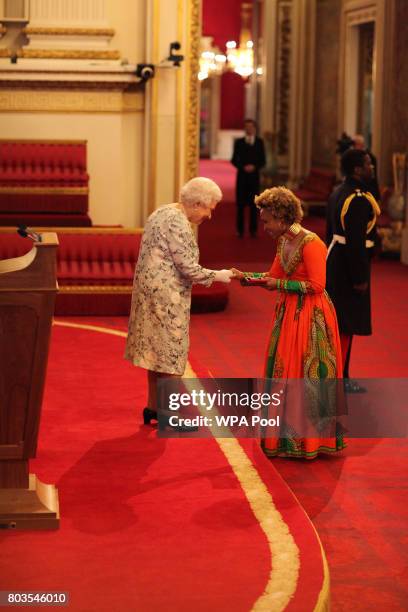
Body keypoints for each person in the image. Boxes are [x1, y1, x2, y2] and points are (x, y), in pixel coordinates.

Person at [232, 186, 345, 459]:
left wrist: (280, 283)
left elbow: (318, 285)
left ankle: (310, 441)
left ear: (281, 217)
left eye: (267, 220)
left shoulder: (311, 243)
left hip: (311, 316)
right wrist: (245, 277)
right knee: (285, 372)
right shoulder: (284, 241)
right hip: (289, 313)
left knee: (304, 374)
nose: (265, 226)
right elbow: (272, 276)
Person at [125, 177, 232, 429]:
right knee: (171, 353)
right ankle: (169, 416)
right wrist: (219, 275)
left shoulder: (162, 211)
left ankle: (154, 408)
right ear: (197, 203)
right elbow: (189, 269)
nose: (209, 215)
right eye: (209, 208)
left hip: (149, 294)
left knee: (154, 353)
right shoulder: (179, 223)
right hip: (166, 298)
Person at [326, 148, 380, 391]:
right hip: (350, 265)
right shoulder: (357, 198)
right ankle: (340, 379)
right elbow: (356, 240)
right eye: (369, 164)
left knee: (341, 322)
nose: (372, 168)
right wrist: (360, 277)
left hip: (337, 260)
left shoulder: (340, 191)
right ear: (358, 168)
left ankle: (340, 376)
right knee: (346, 324)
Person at [231, 118, 266, 238]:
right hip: (242, 177)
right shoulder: (239, 142)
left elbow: (263, 161)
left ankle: (253, 230)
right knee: (240, 205)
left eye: (251, 127)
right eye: (246, 127)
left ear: (254, 128)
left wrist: (254, 167)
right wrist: (243, 167)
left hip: (254, 178)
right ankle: (239, 230)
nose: (248, 129)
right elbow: (234, 160)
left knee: (254, 205)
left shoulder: (260, 142)